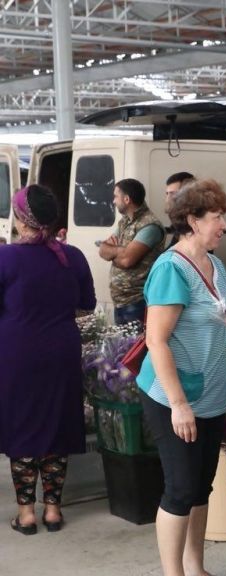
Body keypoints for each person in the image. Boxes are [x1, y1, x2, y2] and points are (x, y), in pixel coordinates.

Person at [136, 179, 226, 576]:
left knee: (202, 485)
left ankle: (196, 569)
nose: (224, 224)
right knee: (180, 488)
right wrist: (179, 404)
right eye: (216, 216)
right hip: (173, 397)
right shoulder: (172, 269)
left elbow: (223, 317)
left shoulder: (214, 264)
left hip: (211, 393)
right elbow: (156, 341)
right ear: (192, 220)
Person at [0, 185, 96, 535]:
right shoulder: (72, 256)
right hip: (61, 350)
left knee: (23, 425)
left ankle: (26, 514)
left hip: (17, 352)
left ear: (21, 219)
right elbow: (86, 304)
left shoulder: (5, 258)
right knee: (56, 422)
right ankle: (53, 510)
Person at [99, 178, 166, 325]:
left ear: (127, 199)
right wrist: (119, 251)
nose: (113, 201)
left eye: (116, 196)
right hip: (121, 302)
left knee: (136, 341)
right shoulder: (124, 222)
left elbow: (127, 260)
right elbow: (103, 250)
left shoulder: (149, 225)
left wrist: (114, 252)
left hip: (137, 302)